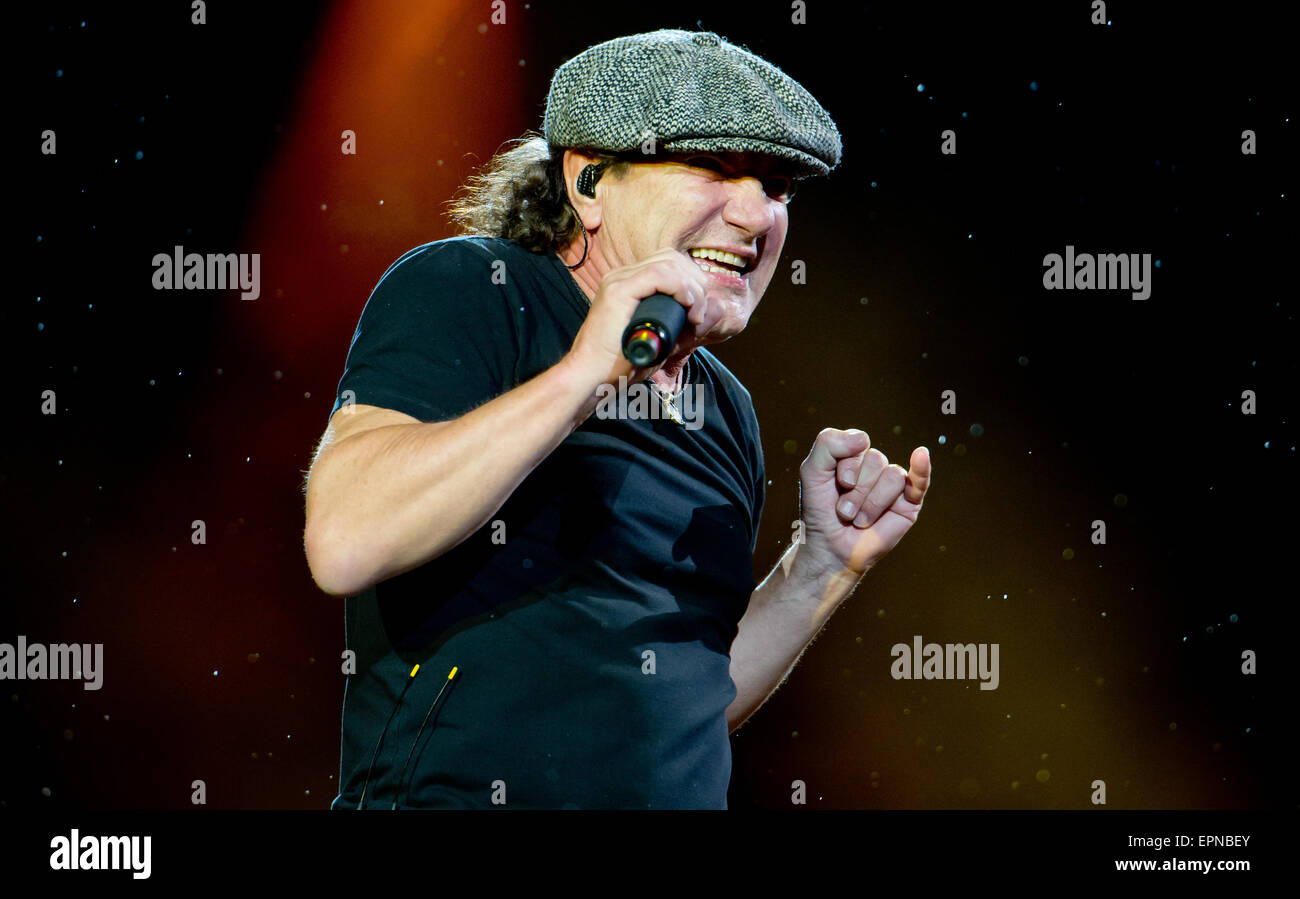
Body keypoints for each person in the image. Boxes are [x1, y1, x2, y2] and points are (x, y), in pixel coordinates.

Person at [304, 28, 931, 810]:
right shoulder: (476, 291)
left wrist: (818, 569)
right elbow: (343, 540)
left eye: (777, 187)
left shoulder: (725, 411)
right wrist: (582, 375)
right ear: (589, 182)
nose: (754, 213)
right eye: (713, 167)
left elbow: (685, 702)